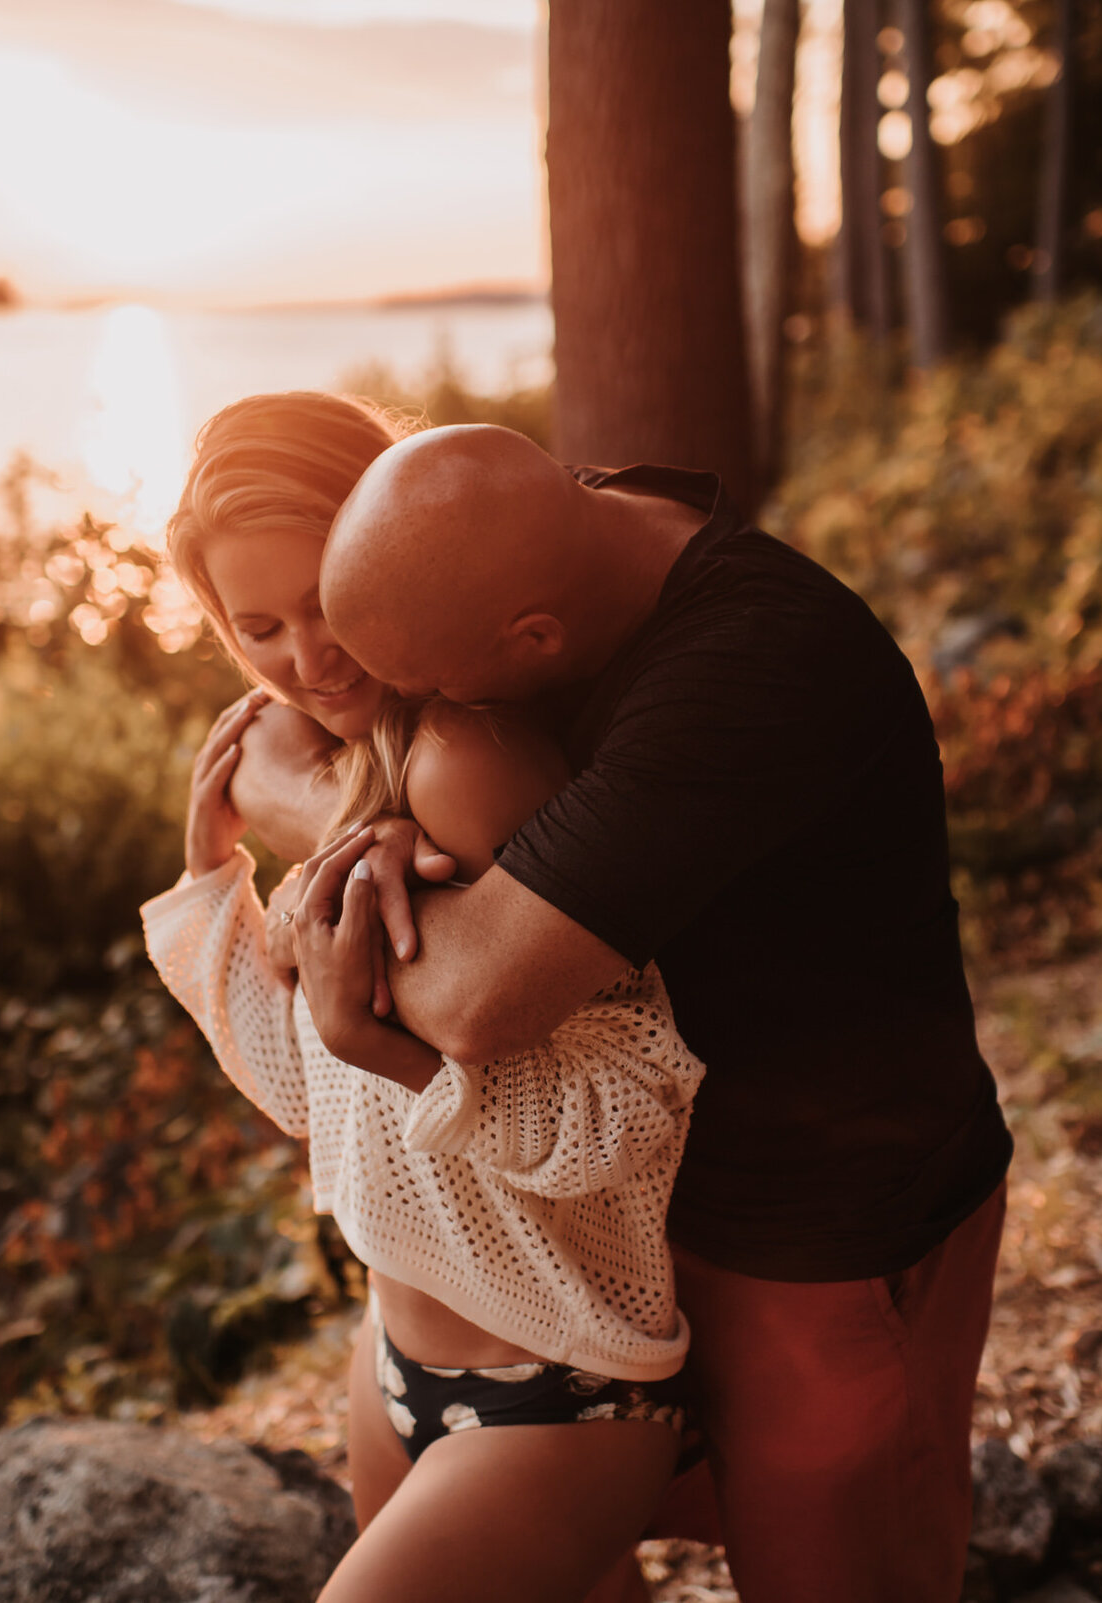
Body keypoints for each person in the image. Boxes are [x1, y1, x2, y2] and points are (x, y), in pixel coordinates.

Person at [282, 424, 1016, 1603]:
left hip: (818, 1235)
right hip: (627, 1228)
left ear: (534, 639)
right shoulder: (563, 534)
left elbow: (475, 996)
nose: (427, 731)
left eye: (429, 697)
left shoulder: (753, 662)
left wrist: (295, 800)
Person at [138, 391, 707, 1603]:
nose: (307, 656)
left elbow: (630, 1110)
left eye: (326, 599)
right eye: (258, 626)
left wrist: (396, 1050)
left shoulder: (466, 766)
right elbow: (310, 1092)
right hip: (393, 1359)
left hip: (560, 1386)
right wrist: (211, 881)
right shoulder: (337, 783)